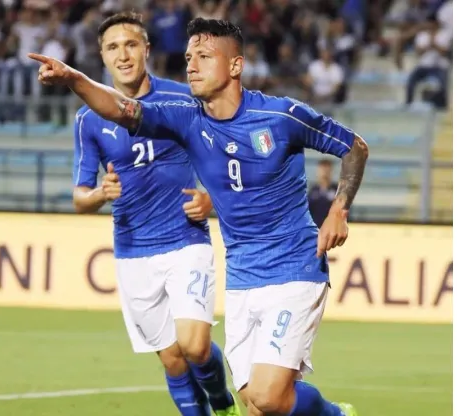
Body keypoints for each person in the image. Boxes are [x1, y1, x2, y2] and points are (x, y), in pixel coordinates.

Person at [29, 17, 369, 416]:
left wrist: (339, 209)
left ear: (235, 66)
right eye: (189, 57)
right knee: (257, 407)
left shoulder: (280, 117)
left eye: (205, 57)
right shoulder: (187, 118)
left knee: (268, 396)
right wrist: (74, 79)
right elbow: (122, 109)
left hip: (294, 267)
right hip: (242, 278)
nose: (191, 65)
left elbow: (354, 147)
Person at [71, 12, 240, 416]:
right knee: (172, 359)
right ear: (102, 55)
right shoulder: (88, 118)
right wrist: (99, 194)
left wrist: (211, 200)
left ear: (147, 49)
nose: (123, 55)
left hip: (186, 239)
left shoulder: (183, 99)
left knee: (195, 345)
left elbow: (227, 162)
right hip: (133, 252)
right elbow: (79, 197)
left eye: (131, 44)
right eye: (113, 47)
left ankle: (223, 405)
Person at [308, 159, 339, 228]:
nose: (325, 172)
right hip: (315, 229)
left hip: (332, 229)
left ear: (331, 171)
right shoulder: (313, 190)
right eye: (322, 170)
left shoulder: (337, 190)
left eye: (327, 170)